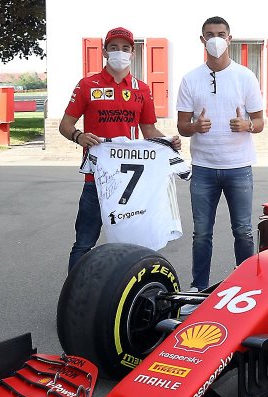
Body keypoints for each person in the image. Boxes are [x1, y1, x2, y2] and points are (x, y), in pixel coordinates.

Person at [59, 26, 180, 272]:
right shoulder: (87, 85)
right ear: (105, 52)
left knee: (132, 242)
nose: (119, 53)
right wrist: (78, 136)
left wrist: (168, 142)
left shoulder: (142, 89)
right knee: (84, 243)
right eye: (113, 48)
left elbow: (149, 131)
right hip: (96, 178)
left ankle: (126, 291)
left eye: (125, 48)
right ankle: (74, 295)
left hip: (129, 183)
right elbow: (65, 125)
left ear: (132, 53)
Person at [176, 16, 265, 302]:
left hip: (238, 166)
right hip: (203, 167)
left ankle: (246, 286)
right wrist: (194, 127)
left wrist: (247, 126)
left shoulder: (245, 76)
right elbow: (181, 126)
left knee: (243, 231)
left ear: (229, 38)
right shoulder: (190, 79)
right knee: (202, 233)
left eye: (220, 34)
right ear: (202, 40)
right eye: (209, 34)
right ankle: (199, 289)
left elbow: (260, 121)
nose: (215, 39)